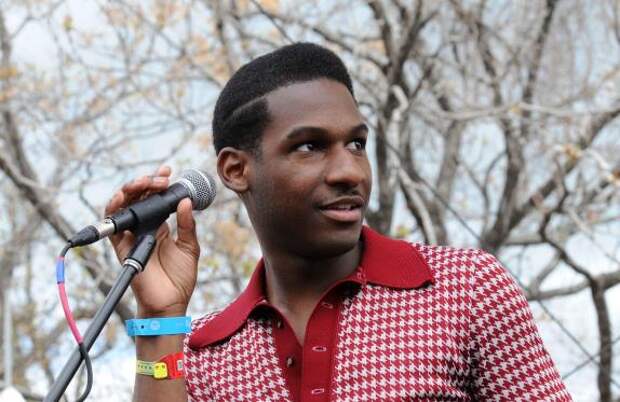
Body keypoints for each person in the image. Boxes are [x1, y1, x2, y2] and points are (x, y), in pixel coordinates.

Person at [105, 43, 572, 401]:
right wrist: (160, 318)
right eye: (309, 146)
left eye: (356, 144)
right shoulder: (206, 353)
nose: (350, 171)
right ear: (236, 170)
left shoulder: (466, 288)